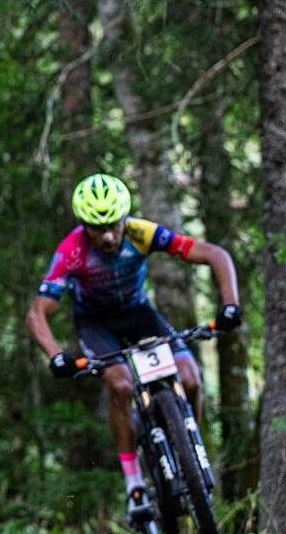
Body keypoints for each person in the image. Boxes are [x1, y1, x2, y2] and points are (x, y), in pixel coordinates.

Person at [25, 173, 242, 524]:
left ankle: (189, 448)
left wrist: (230, 304)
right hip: (96, 325)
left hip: (139, 315)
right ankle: (135, 485)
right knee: (121, 384)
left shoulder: (142, 233)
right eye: (98, 229)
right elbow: (38, 312)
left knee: (190, 379)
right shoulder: (72, 251)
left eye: (114, 225)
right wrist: (55, 355)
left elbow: (213, 254)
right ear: (84, 226)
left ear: (125, 218)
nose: (109, 236)